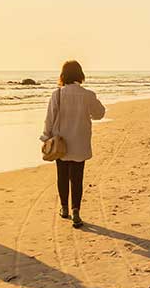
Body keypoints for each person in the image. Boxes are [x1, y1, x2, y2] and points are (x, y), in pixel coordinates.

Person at [40, 60, 105, 228]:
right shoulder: (88, 94)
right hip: (79, 143)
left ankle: (64, 208)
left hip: (60, 143)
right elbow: (99, 114)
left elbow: (50, 118)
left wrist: (46, 137)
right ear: (80, 75)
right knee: (77, 178)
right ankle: (76, 211)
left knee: (62, 176)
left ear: (63, 75)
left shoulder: (57, 94)